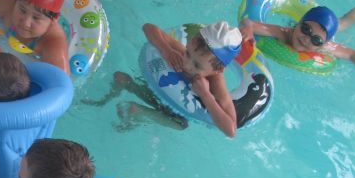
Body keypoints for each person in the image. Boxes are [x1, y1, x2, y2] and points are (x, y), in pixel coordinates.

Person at [85, 21, 244, 137]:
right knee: (181, 124)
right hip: (161, 93)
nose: (187, 64)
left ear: (218, 70)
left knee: (181, 123)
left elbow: (231, 129)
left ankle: (136, 101)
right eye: (187, 53)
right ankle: (114, 103)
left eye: (196, 65)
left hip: (177, 108)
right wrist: (166, 49)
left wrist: (206, 95)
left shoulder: (216, 84)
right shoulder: (184, 53)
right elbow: (148, 27)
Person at [241, 1, 355, 93]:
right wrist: (247, 31)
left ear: (322, 44)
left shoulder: (326, 46)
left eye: (316, 40)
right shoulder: (283, 33)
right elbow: (249, 22)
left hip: (330, 31)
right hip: (319, 28)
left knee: (344, 23)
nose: (306, 39)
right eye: (306, 29)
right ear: (298, 23)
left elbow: (352, 54)